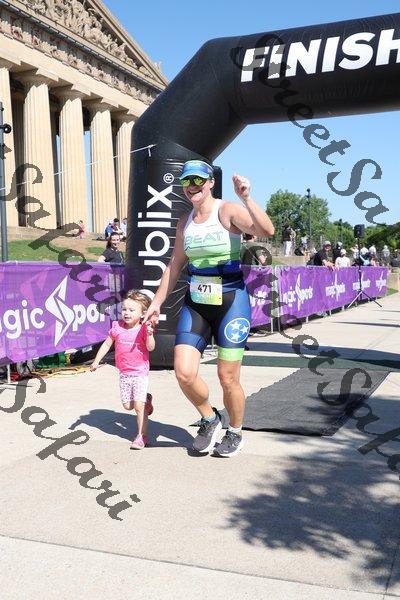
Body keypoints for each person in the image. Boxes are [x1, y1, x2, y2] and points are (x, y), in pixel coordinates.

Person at [144, 159, 274, 457]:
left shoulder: (226, 210)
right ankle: (209, 418)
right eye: (187, 181)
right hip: (197, 305)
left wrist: (246, 197)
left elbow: (266, 230)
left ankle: (235, 431)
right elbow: (175, 265)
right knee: (184, 372)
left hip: (231, 303)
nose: (192, 186)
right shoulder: (184, 222)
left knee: (227, 378)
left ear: (211, 182)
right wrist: (156, 302)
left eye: (198, 180)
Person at [90, 290, 155, 449]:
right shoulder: (117, 327)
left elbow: (150, 347)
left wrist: (150, 334)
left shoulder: (143, 329)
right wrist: (96, 361)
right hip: (124, 373)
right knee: (128, 406)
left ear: (142, 313)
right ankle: (147, 400)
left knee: (138, 407)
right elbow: (107, 344)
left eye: (132, 310)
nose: (126, 313)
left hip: (140, 372)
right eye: (124, 309)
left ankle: (141, 436)